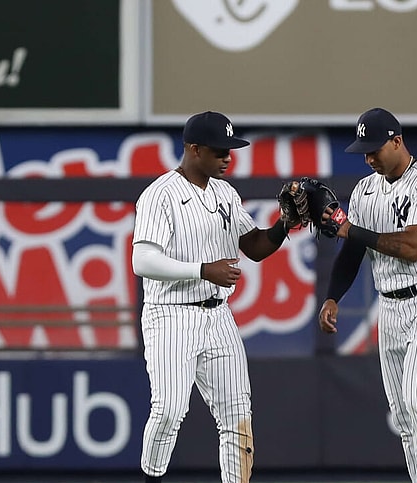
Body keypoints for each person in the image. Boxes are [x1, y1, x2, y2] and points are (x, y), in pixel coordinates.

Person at [132, 111, 297, 483]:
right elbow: (142, 260)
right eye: (219, 150)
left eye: (231, 149)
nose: (228, 157)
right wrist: (203, 270)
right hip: (170, 314)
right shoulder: (160, 194)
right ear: (194, 149)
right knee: (169, 410)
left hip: (217, 314)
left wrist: (284, 225)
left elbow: (254, 246)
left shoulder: (225, 192)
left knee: (237, 415)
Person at [318, 108, 417, 483]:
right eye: (363, 151)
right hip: (392, 307)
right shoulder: (366, 190)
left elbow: (414, 246)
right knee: (403, 417)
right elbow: (351, 252)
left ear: (397, 141)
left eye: (374, 149)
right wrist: (333, 296)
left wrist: (349, 228)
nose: (368, 158)